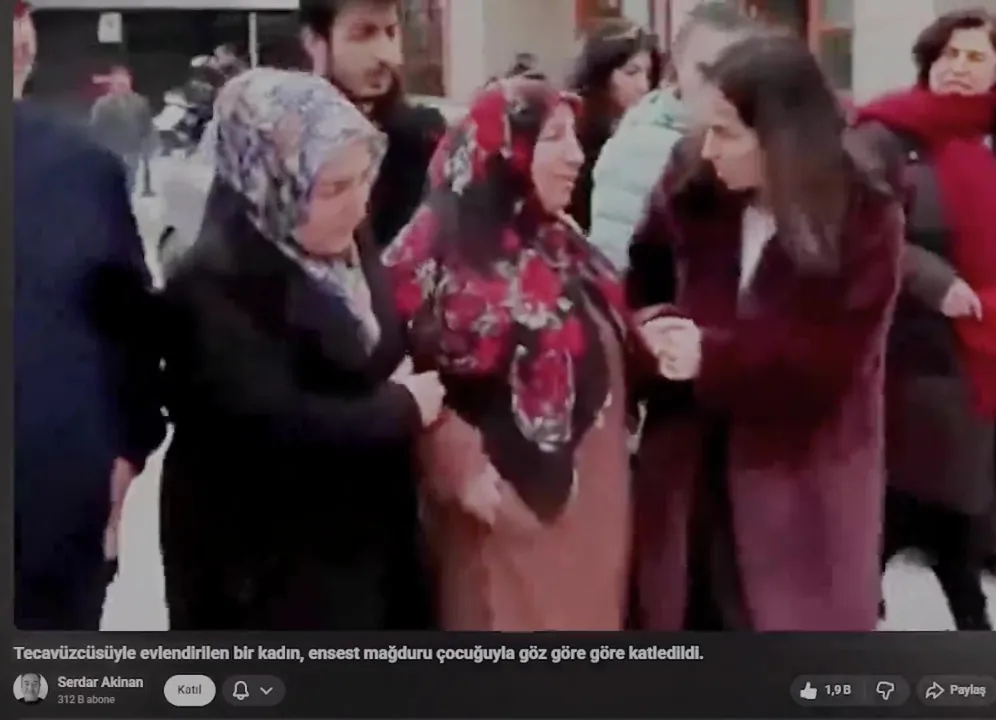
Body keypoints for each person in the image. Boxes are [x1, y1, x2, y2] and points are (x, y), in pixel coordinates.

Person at [625, 34, 902, 631]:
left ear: (780, 137)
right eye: (707, 129)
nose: (709, 148)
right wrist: (650, 336)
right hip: (686, 475)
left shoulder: (861, 215)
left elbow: (829, 363)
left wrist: (712, 357)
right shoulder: (690, 189)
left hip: (798, 485)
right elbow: (638, 291)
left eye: (727, 133)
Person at [159, 69, 444, 629]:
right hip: (268, 576)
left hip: (369, 554)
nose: (357, 206)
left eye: (364, 179)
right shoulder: (213, 284)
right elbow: (269, 424)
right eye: (333, 189)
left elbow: (375, 343)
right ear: (269, 181)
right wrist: (402, 408)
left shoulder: (343, 240)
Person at [382, 78, 648, 630]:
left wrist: (650, 336)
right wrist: (456, 461)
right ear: (504, 150)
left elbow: (596, 335)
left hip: (589, 518)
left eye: (574, 136)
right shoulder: (437, 252)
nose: (576, 155)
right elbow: (390, 367)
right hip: (502, 520)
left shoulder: (560, 241)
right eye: (553, 138)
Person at [854, 8, 996, 625]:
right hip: (915, 337)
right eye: (949, 54)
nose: (958, 67)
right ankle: (875, 590)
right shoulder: (886, 133)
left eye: (975, 57)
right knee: (908, 476)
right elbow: (867, 226)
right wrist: (934, 282)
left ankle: (977, 556)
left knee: (982, 466)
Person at [15, 0, 166, 630]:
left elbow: (130, 331)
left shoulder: (81, 169)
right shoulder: (80, 166)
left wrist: (124, 459)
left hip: (53, 529)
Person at [589, 1, 758, 269]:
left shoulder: (752, 140)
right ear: (679, 66)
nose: (720, 80)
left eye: (734, 67)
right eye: (706, 68)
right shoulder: (639, 144)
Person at [300, 0, 447, 247]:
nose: (387, 56)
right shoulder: (287, 143)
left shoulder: (421, 138)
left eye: (391, 32)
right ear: (315, 42)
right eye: (363, 34)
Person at [566, 19, 661, 233]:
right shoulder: (574, 131)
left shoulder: (651, 131)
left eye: (648, 74)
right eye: (631, 72)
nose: (643, 86)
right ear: (603, 74)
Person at [89, 65, 153, 195]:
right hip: (111, 150)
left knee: (130, 181)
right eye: (119, 83)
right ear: (112, 84)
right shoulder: (102, 104)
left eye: (125, 83)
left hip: (132, 149)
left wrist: (146, 147)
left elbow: (146, 126)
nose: (122, 86)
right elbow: (96, 128)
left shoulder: (140, 102)